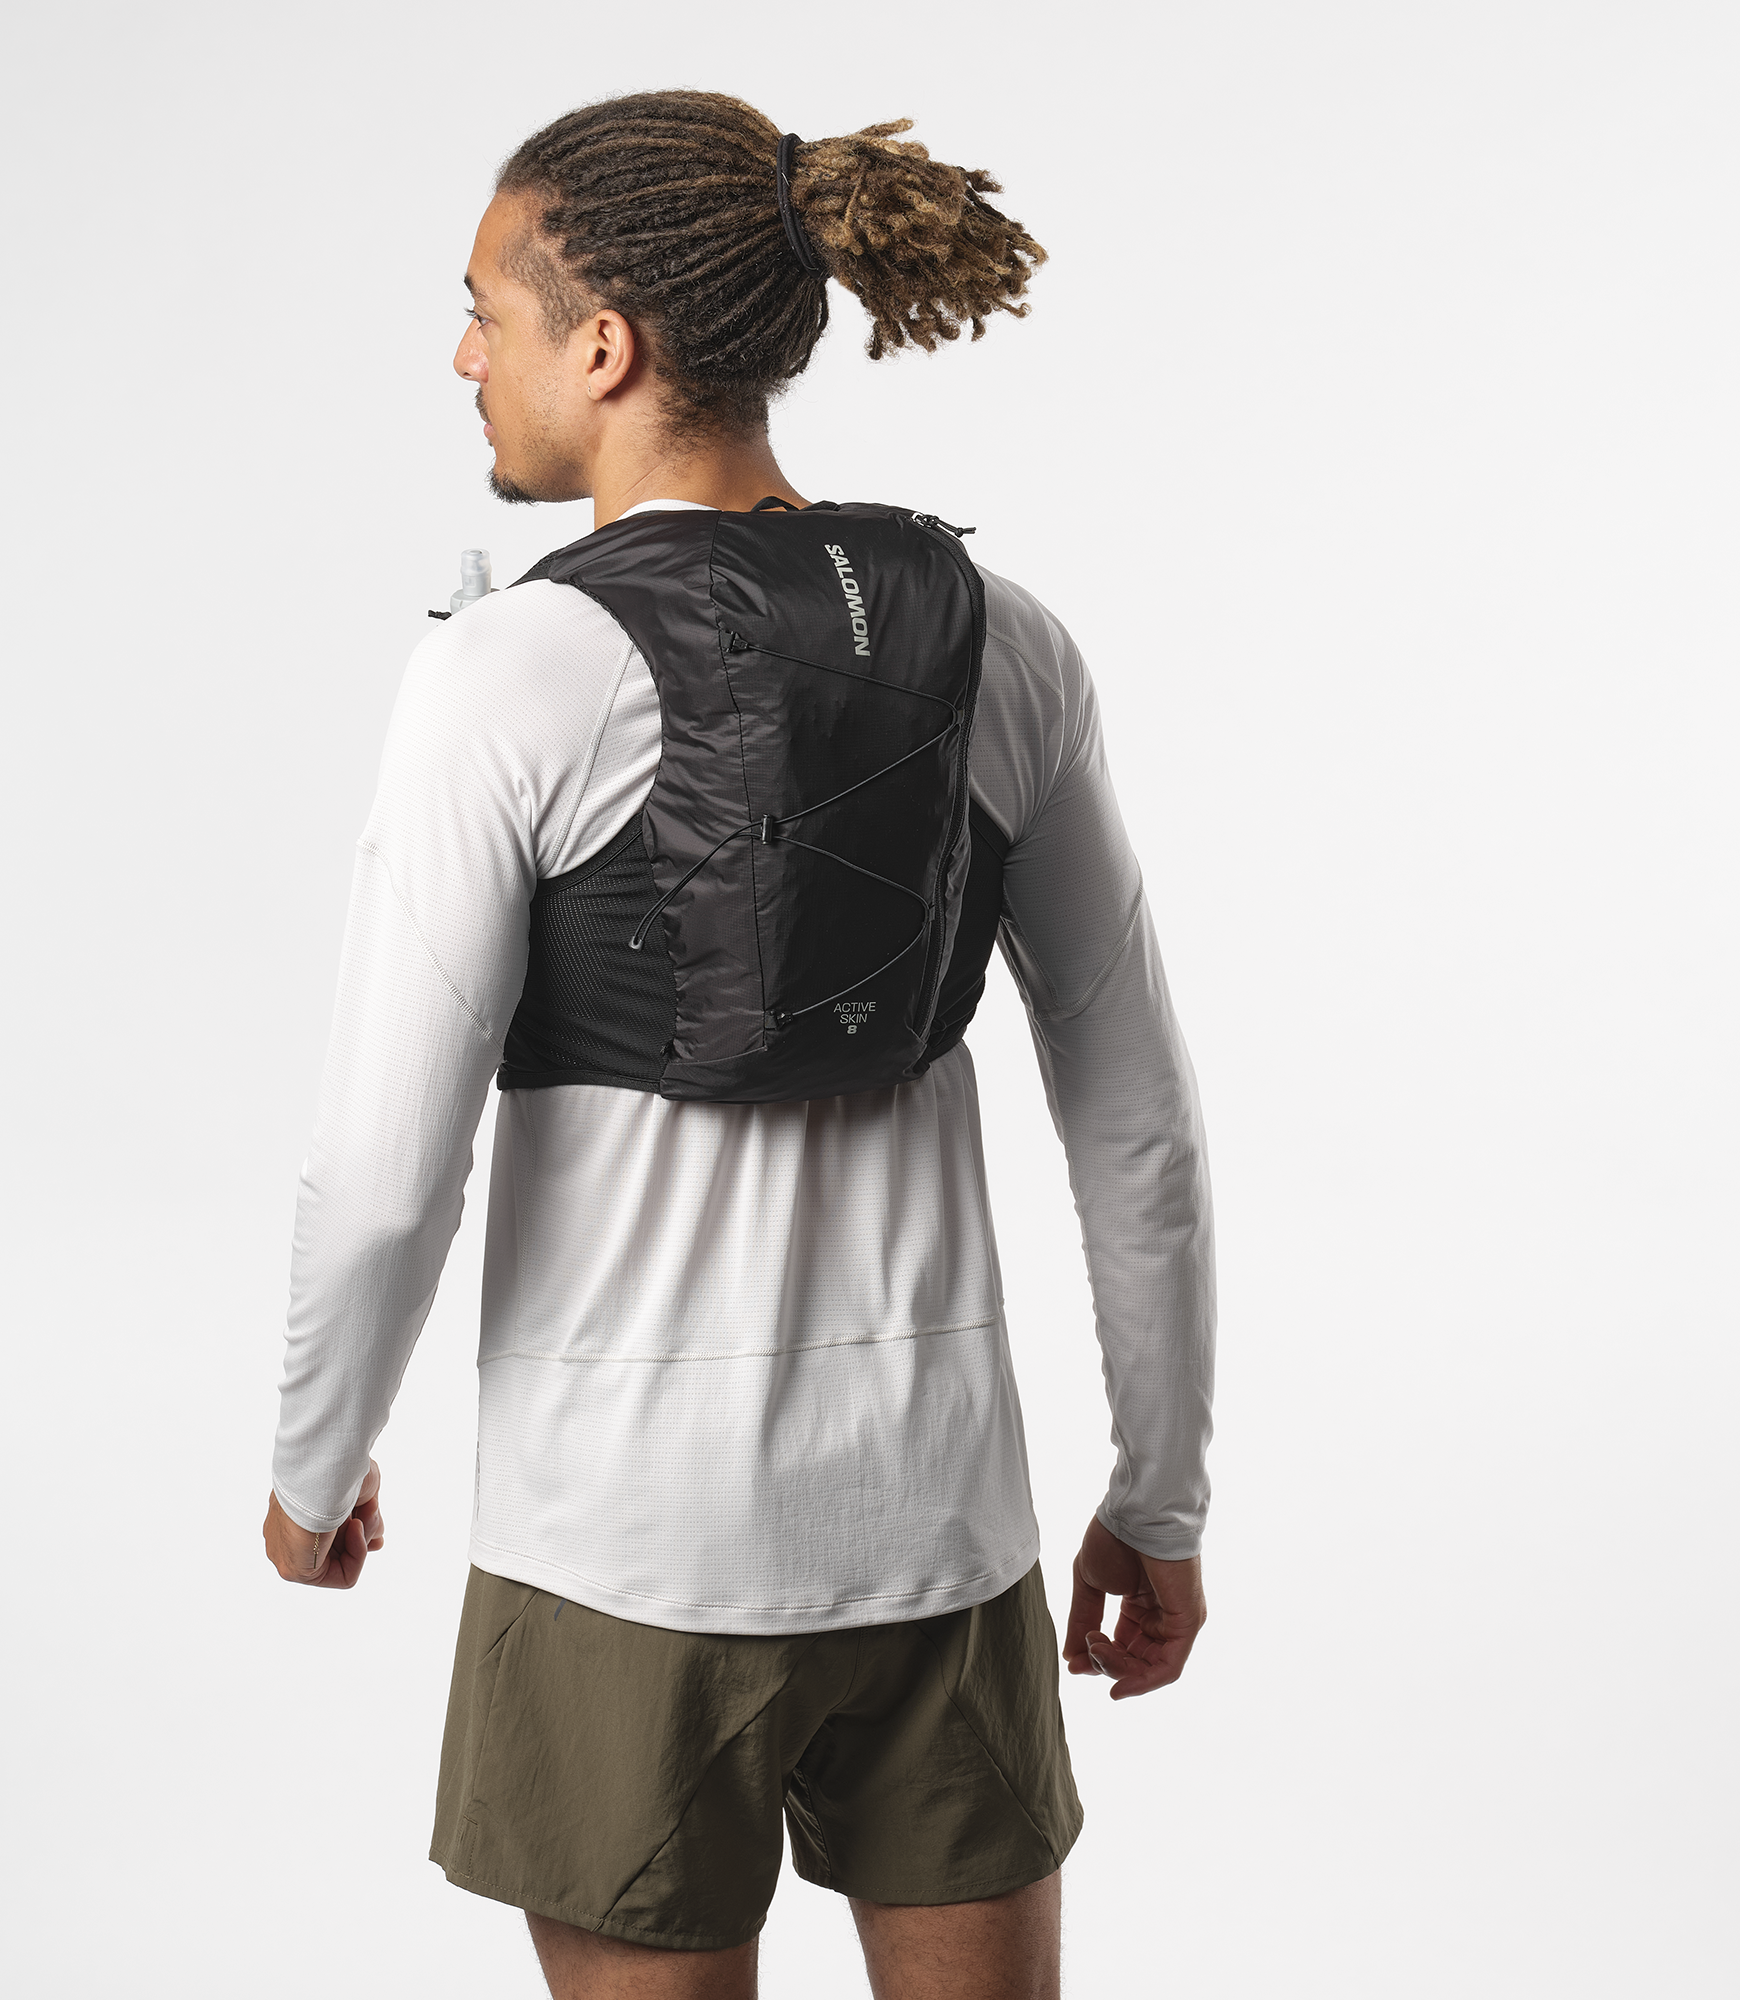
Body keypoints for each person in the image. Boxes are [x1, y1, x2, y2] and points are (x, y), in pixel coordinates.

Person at [262, 91, 1215, 2000]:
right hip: (943, 1532)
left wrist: (316, 1461)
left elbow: (383, 1178)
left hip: (623, 1554)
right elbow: (1141, 1129)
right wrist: (1159, 1496)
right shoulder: (1003, 640)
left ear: (601, 347)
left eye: (484, 314)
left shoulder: (503, 673)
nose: (464, 358)